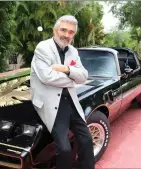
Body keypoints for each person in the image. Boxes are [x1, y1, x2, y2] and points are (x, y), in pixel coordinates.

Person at [30, 15, 95, 169]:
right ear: (55, 30)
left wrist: (66, 69)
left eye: (71, 32)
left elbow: (84, 76)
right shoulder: (42, 48)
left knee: (86, 140)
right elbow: (47, 77)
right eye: (63, 30)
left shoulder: (73, 51)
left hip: (70, 100)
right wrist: (73, 77)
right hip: (51, 102)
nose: (66, 35)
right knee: (64, 149)